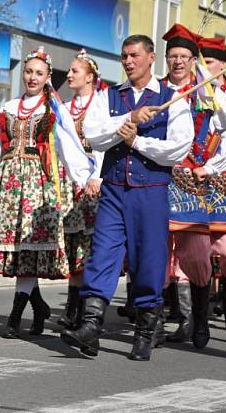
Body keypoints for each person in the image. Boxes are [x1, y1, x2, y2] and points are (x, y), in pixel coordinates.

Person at [61, 34, 193, 361]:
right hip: (114, 189)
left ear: (151, 58)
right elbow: (93, 134)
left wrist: (138, 144)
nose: (128, 62)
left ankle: (147, 331)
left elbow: (178, 149)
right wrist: (129, 119)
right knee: (102, 253)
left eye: (134, 55)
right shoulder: (110, 96)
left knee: (148, 259)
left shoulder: (173, 97)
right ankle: (90, 326)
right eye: (124, 56)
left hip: (150, 192)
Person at [0, 47, 91, 339]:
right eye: (28, 71)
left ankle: (14, 318)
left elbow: (67, 145)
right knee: (18, 252)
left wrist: (83, 178)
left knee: (28, 249)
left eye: (39, 73)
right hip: (9, 181)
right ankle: (38, 306)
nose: (32, 77)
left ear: (48, 77)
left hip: (38, 185)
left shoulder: (53, 110)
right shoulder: (8, 108)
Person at [163, 27, 226, 348]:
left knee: (224, 252)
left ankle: (220, 310)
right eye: (173, 56)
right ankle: (166, 320)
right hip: (160, 178)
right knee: (157, 254)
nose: (178, 62)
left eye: (184, 56)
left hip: (201, 180)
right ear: (165, 59)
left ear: (192, 60)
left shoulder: (208, 93)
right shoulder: (157, 90)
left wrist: (212, 166)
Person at [59, 49, 105, 330]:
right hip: (70, 184)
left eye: (75, 71)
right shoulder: (64, 108)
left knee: (92, 247)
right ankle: (72, 309)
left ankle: (89, 310)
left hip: (94, 184)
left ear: (90, 77)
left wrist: (97, 176)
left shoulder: (100, 105)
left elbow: (103, 146)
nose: (70, 75)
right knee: (74, 246)